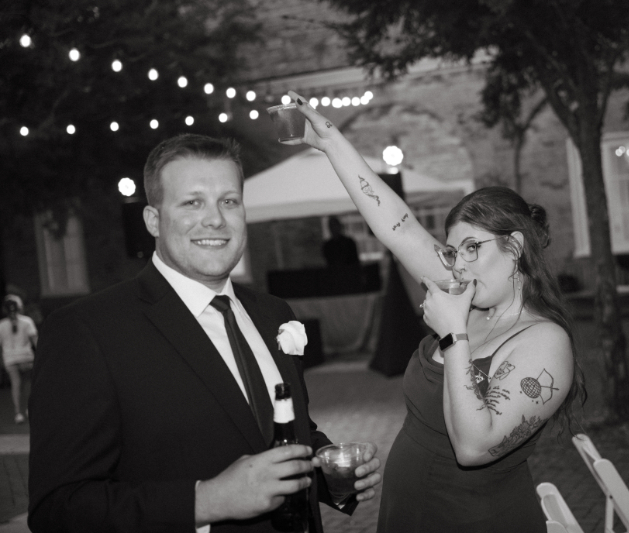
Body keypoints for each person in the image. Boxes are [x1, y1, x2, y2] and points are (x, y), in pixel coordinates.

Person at [28, 134, 381, 532]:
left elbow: (281, 433)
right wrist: (206, 501)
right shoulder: (87, 332)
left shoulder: (272, 313)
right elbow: (58, 508)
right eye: (192, 202)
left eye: (228, 201)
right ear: (152, 220)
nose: (215, 219)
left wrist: (329, 472)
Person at [288, 90, 586, 532]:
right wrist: (331, 141)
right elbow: (398, 225)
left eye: (472, 248)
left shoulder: (544, 341)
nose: (458, 264)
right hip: (409, 513)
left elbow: (474, 445)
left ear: (515, 247)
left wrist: (453, 337)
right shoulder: (468, 294)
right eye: (452, 251)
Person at [0, 294, 37, 424]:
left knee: (15, 384)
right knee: (27, 384)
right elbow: (35, 340)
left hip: (10, 358)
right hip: (26, 357)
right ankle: (28, 408)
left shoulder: (2, 325)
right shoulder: (27, 321)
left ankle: (18, 413)